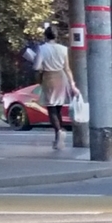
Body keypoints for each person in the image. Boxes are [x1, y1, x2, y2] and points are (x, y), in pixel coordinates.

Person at [33, 23, 75, 152]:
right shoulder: (63, 49)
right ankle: (59, 137)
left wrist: (39, 66)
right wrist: (72, 83)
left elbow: (36, 67)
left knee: (51, 108)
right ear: (56, 36)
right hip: (62, 78)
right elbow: (67, 68)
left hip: (49, 77)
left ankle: (59, 131)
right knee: (58, 108)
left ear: (45, 36)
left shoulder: (42, 49)